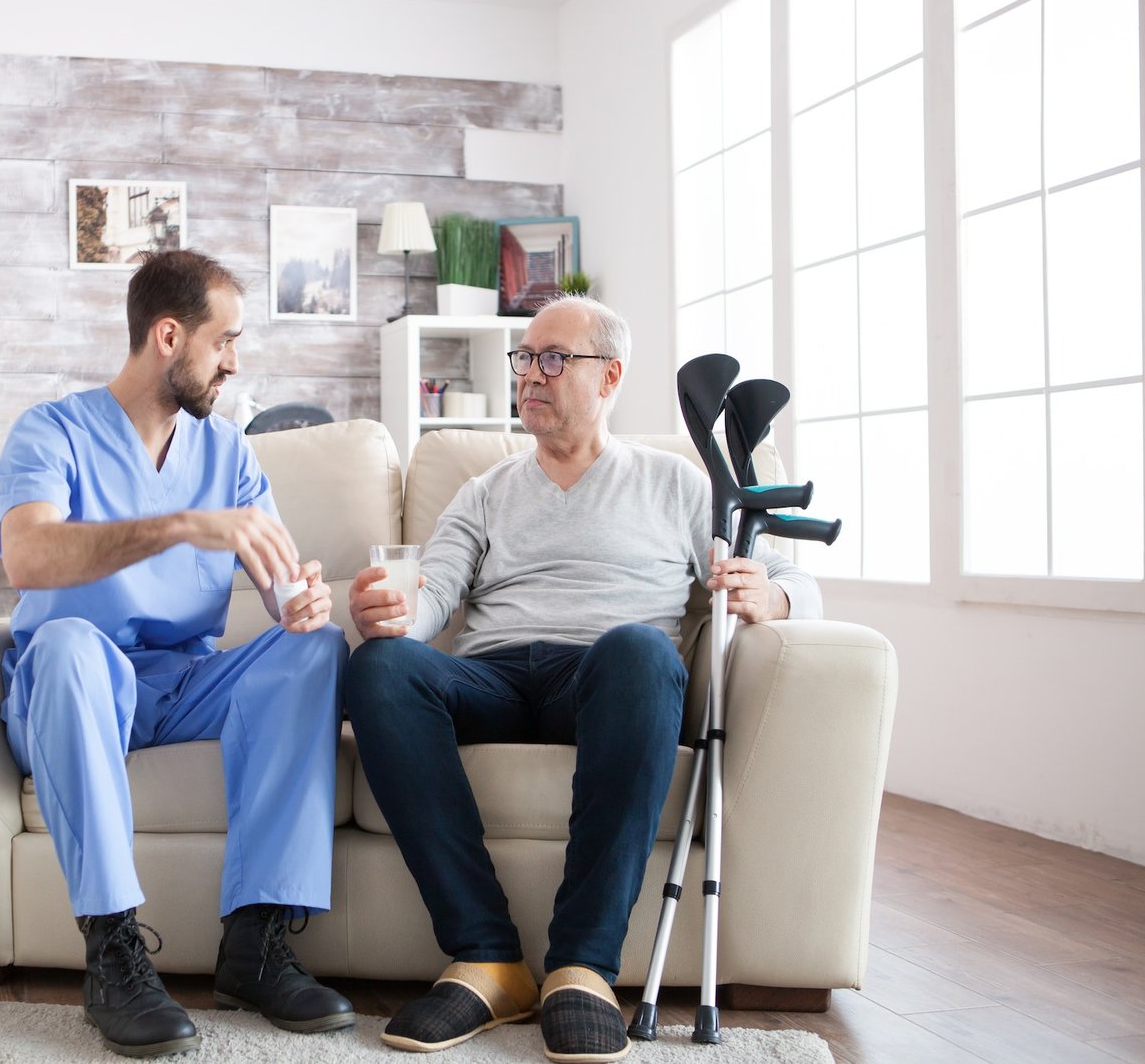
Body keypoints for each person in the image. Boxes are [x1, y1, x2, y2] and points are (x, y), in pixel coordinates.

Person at [343, 295, 822, 1063]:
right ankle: (487, 960)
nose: (531, 374)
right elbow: (432, 598)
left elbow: (797, 578)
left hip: (609, 678)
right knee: (378, 668)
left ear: (610, 377)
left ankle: (582, 969)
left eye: (555, 358)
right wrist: (394, 617)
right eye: (525, 358)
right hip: (494, 677)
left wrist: (771, 593)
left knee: (638, 651)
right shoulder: (485, 492)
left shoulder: (679, 485)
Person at [0, 250, 355, 1058]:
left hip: (181, 684)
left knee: (315, 652)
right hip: (74, 687)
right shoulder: (51, 431)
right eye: (224, 340)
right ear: (168, 337)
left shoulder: (227, 453)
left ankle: (254, 945)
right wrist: (186, 525)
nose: (235, 359)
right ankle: (113, 950)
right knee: (67, 647)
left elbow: (279, 581)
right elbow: (29, 558)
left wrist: (299, 601)